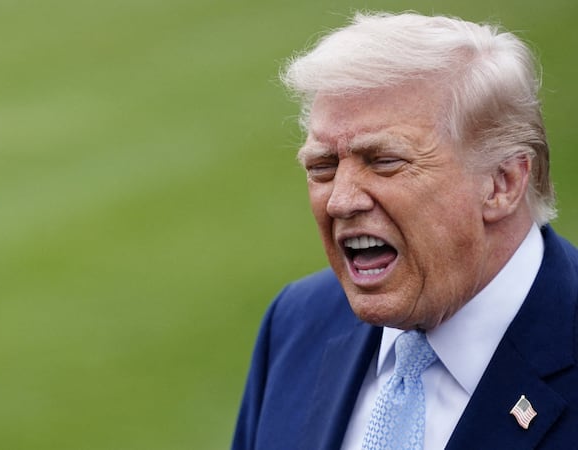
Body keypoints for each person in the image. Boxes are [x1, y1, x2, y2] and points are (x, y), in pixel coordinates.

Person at [231, 11, 578, 450]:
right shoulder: (297, 322)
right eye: (323, 166)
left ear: (501, 183)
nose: (341, 199)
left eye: (384, 161)